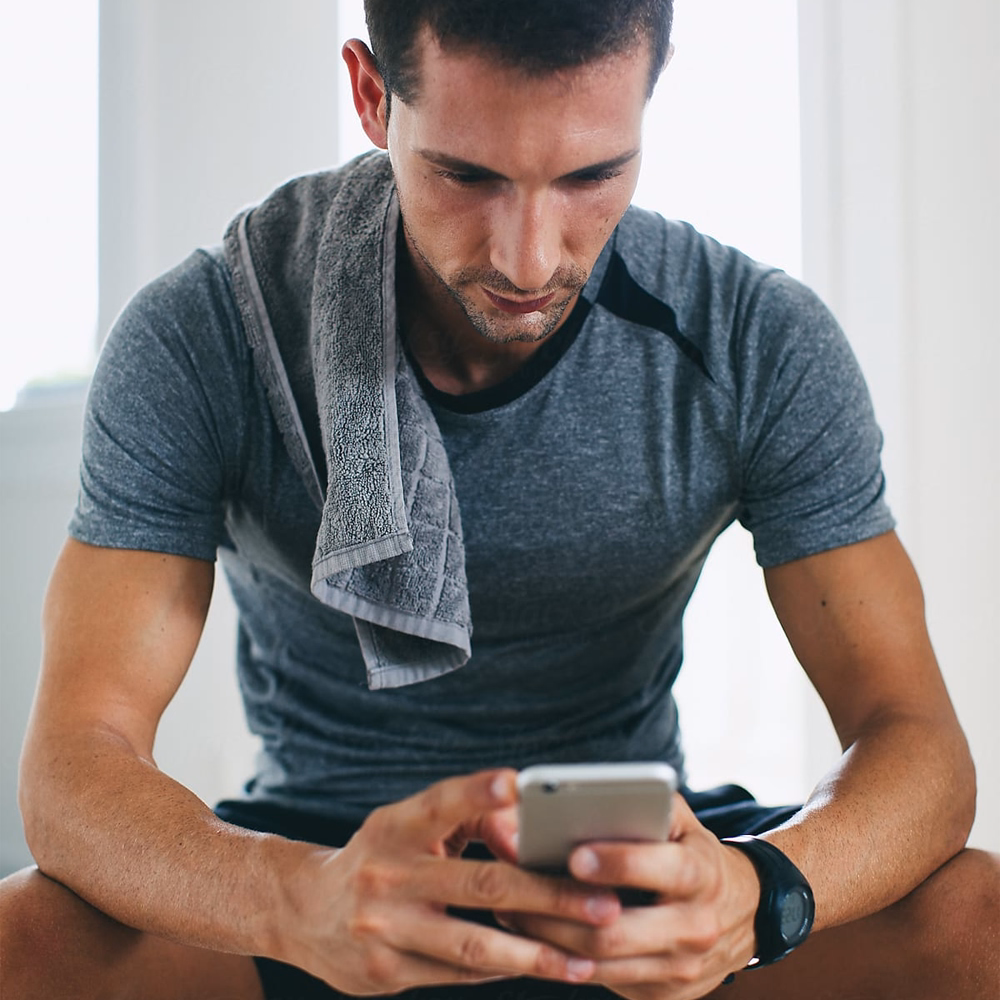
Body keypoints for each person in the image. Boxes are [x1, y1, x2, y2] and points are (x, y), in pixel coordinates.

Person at [1, 1, 997, 997]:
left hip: (627, 876)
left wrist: (762, 888)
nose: (529, 257)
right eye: (465, 175)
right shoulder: (206, 334)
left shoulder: (754, 339)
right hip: (320, 868)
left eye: (590, 176)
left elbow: (914, 737)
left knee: (973, 919)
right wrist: (292, 900)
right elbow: (73, 766)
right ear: (371, 96)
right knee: (24, 940)